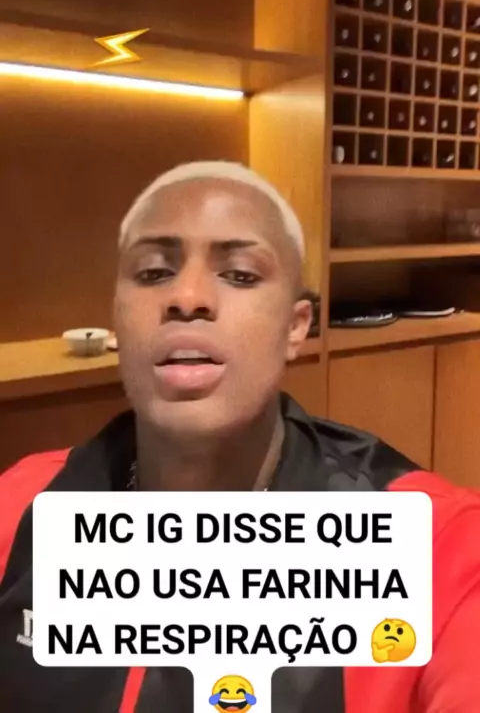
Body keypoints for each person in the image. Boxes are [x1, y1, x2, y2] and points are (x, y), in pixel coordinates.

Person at [0, 160, 479, 713]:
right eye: (154, 273)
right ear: (117, 320)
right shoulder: (21, 505)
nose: (188, 297)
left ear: (295, 327)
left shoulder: (433, 546)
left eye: (241, 275)